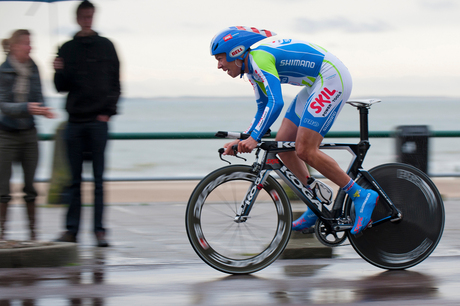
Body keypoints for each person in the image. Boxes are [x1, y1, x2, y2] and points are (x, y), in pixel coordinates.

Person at [210, 26, 378, 235]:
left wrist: (254, 138)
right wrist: (244, 138)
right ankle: (315, 202)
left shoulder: (259, 60)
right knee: (284, 145)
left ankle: (360, 195)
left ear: (235, 52)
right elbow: (263, 108)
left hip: (331, 78)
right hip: (315, 83)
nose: (219, 65)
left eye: (220, 58)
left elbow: (276, 102)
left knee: (305, 149)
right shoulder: (252, 71)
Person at [53, 0, 121, 247]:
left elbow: (115, 82)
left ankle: (99, 231)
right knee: (74, 180)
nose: (86, 19)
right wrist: (57, 70)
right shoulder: (66, 48)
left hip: (98, 122)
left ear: (93, 16)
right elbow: (61, 87)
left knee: (99, 181)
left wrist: (108, 113)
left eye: (89, 15)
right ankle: (71, 231)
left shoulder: (107, 46)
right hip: (74, 122)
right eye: (83, 16)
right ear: (77, 17)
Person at [0, 29, 55, 240]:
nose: (30, 47)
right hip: (5, 134)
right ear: (14, 46)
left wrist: (43, 109)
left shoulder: (34, 68)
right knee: (3, 189)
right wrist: (27, 107)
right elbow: (3, 105)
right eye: (26, 43)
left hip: (29, 134)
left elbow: (39, 98)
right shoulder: (3, 71)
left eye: (31, 43)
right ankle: (2, 236)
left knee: (31, 187)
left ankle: (33, 235)